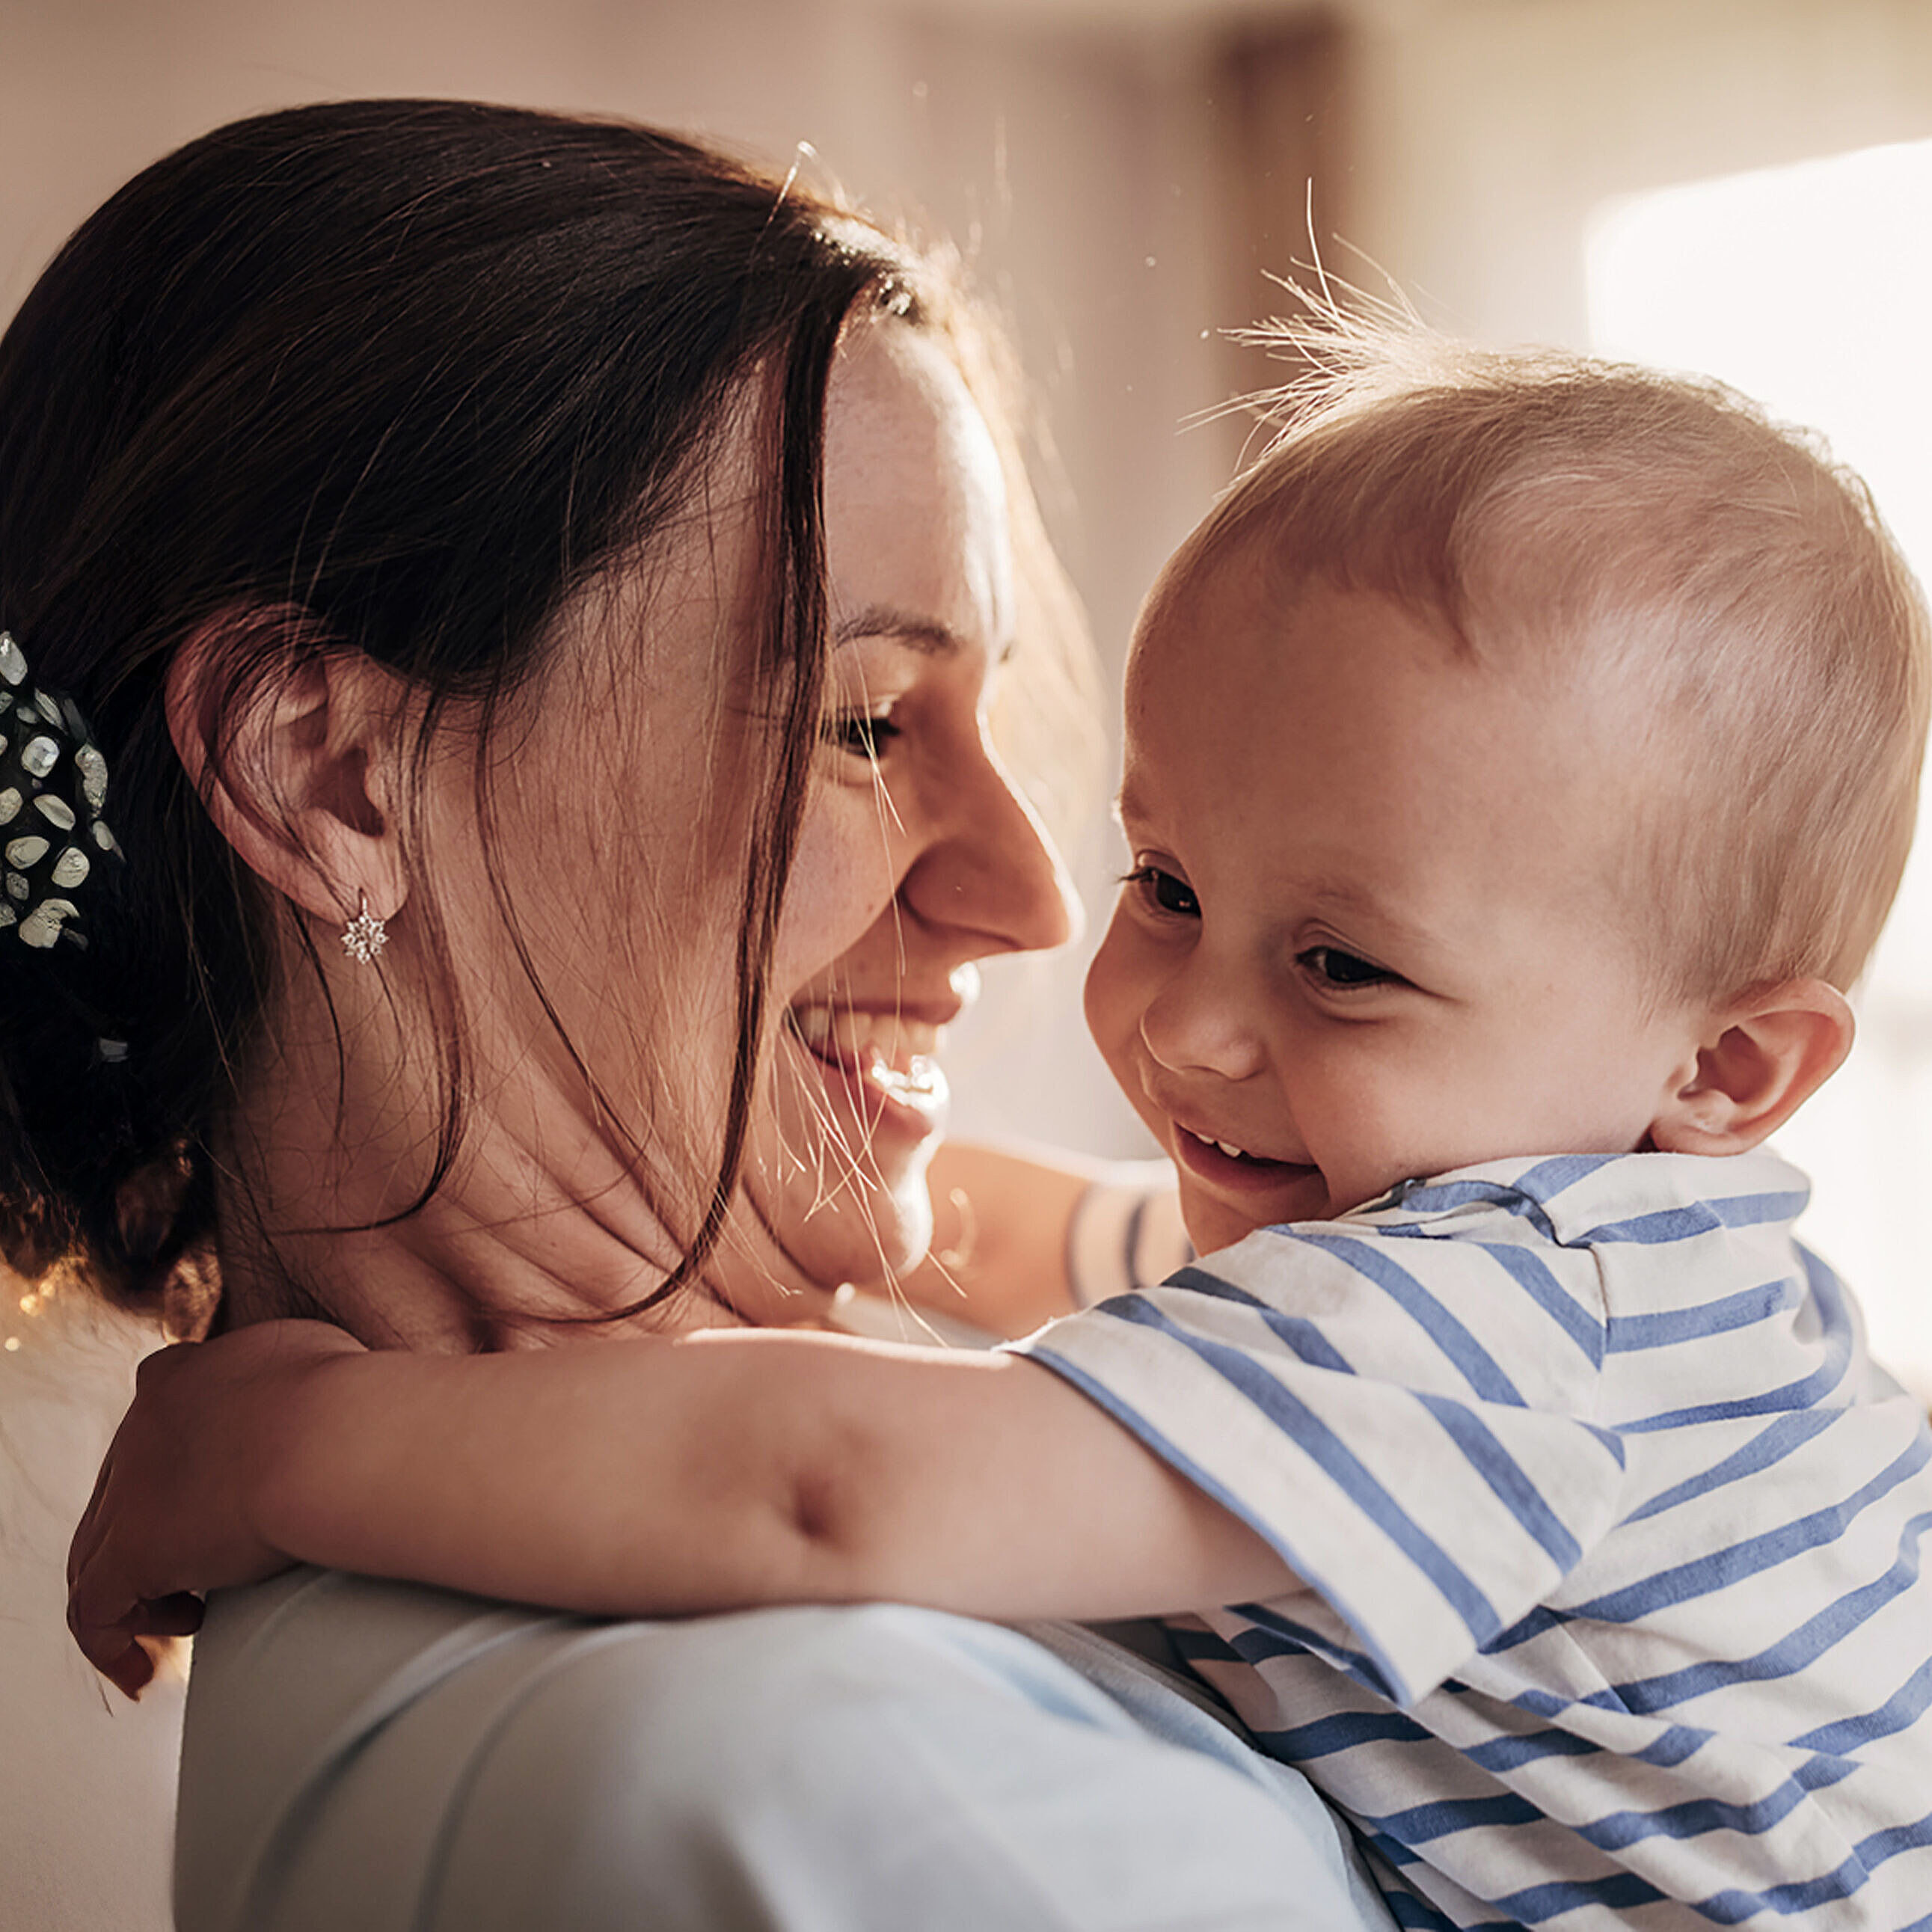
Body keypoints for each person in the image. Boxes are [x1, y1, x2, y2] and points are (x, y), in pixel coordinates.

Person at [70, 317, 1932, 1928]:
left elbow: (825, 1487)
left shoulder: (1492, 1322)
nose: (1176, 1021)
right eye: (1168, 882)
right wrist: (804, 1138)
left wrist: (282, 1446)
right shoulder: (1519, 1253)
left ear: (1726, 1067)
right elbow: (1049, 1233)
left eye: (1342, 963)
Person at [10, 99, 1395, 1932]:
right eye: (863, 724)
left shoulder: (361, 1633)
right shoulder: (826, 1786)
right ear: (331, 775)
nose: (1033, 898)